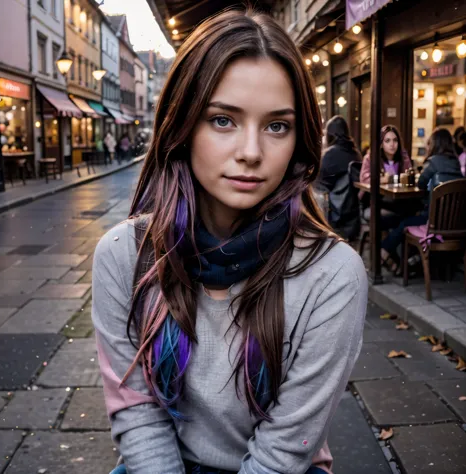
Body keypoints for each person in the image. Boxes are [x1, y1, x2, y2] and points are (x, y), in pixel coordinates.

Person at [92, 9, 367, 474]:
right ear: (182, 127)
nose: (251, 152)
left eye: (277, 126)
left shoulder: (332, 273)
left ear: (300, 139)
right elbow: (139, 416)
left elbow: (286, 448)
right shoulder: (125, 255)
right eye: (223, 120)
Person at [381, 128, 463, 273]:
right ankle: (412, 261)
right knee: (410, 217)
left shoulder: (433, 162)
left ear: (434, 144)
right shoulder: (455, 162)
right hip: (455, 226)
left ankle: (384, 251)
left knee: (405, 222)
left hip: (433, 223)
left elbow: (420, 184)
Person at [317, 115, 362, 241]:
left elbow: (318, 180)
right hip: (353, 212)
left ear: (331, 134)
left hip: (335, 211)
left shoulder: (330, 155)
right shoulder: (356, 153)